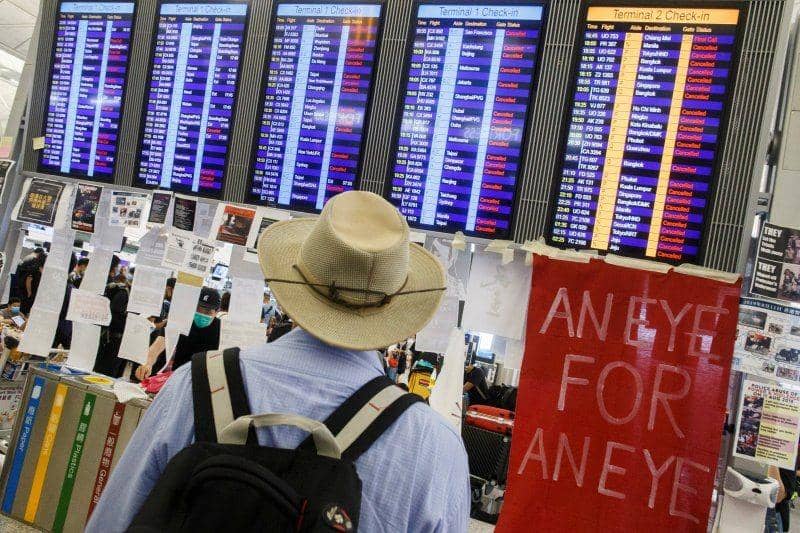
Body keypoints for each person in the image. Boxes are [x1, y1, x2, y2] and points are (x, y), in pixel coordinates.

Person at [87, 191, 469, 532]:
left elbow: (114, 519)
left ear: (297, 285)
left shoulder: (196, 385)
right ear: (397, 308)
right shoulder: (433, 444)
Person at [94, 255, 129, 377]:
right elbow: (115, 313)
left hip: (98, 332)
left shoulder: (99, 283)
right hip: (111, 337)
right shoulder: (121, 291)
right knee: (106, 371)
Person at [171, 287, 222, 370]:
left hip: (203, 376)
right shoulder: (183, 321)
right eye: (198, 309)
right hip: (178, 373)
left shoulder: (221, 329)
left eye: (207, 311)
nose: (201, 314)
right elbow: (163, 340)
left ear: (217, 311)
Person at [16, 248, 46, 315]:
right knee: (24, 306)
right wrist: (29, 292)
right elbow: (29, 280)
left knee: (24, 306)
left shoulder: (34, 264)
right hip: (27, 290)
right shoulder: (35, 267)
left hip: (26, 289)